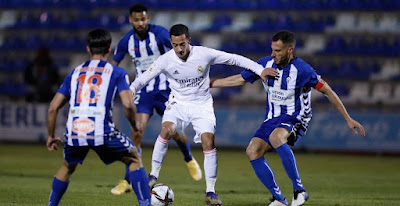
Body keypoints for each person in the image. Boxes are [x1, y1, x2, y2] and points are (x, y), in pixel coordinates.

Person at [210, 30, 366, 206]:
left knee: (276, 137)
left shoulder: (303, 70)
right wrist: (211, 83)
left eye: (278, 51)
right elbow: (240, 79)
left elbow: (328, 91)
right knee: (252, 151)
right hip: (272, 118)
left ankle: (299, 190)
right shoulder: (265, 64)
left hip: (296, 117)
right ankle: (279, 198)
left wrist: (348, 118)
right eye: (272, 50)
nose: (273, 54)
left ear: (290, 50)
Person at [130, 23, 272, 206]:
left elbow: (235, 59)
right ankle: (153, 175)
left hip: (201, 104)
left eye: (182, 44)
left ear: (189, 40)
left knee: (208, 141)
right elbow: (143, 78)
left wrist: (260, 70)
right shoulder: (165, 60)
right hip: (177, 103)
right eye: (175, 45)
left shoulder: (204, 54)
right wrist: (132, 89)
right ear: (171, 44)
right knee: (166, 130)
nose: (179, 49)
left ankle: (210, 192)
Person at [46, 28, 151, 206]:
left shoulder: (75, 72)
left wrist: (50, 135)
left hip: (75, 130)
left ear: (88, 49)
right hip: (101, 130)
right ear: (109, 49)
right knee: (134, 157)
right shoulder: (116, 72)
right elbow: (127, 104)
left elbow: (53, 107)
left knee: (67, 167)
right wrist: (134, 124)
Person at [110, 3, 202, 195]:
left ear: (148, 18)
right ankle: (127, 180)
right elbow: (113, 65)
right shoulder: (126, 41)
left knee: (176, 133)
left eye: (143, 19)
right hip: (144, 93)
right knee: (137, 132)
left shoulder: (160, 34)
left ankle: (188, 159)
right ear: (131, 20)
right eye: (136, 19)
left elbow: (179, 55)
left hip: (166, 90)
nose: (140, 22)